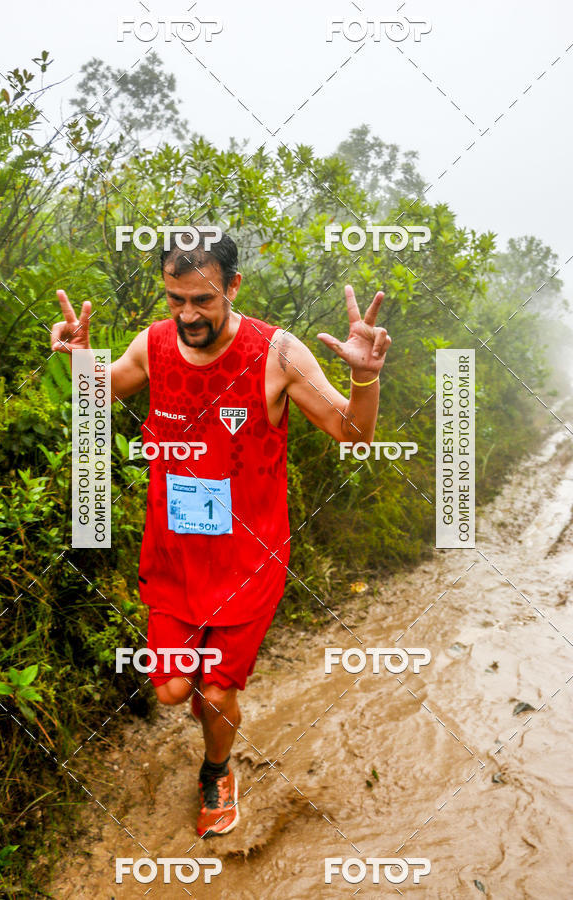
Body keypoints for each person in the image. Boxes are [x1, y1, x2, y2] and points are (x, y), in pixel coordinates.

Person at [50, 231, 391, 837]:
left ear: (233, 287)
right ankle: (213, 728)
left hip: (248, 561)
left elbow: (353, 435)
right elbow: (97, 392)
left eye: (202, 300)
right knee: (173, 690)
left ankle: (217, 769)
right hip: (174, 558)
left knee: (212, 693)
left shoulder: (277, 354)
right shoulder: (154, 344)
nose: (187, 315)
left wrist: (365, 378)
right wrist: (74, 358)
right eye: (176, 298)